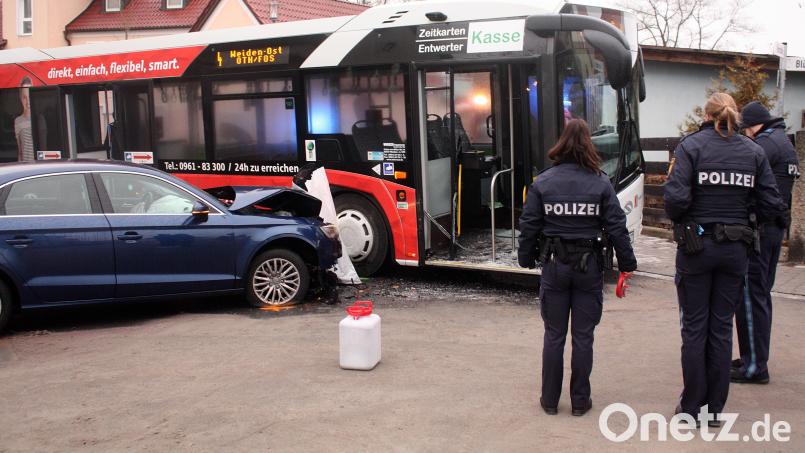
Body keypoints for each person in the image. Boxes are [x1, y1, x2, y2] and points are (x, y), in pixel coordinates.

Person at [664, 93, 786, 426]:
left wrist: (691, 215)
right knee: (720, 329)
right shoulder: (753, 151)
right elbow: (772, 203)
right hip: (736, 251)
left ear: (707, 114)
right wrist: (744, 217)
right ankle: (714, 411)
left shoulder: (691, 146)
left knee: (694, 329)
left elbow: (674, 200)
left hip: (696, 248)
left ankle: (690, 408)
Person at [518, 119, 637, 417]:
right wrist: (627, 264)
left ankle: (549, 401)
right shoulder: (600, 182)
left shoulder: (543, 182)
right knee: (583, 336)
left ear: (561, 143)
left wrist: (525, 258)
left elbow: (529, 225)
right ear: (589, 144)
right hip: (589, 268)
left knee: (554, 334)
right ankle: (580, 402)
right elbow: (617, 227)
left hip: (555, 266)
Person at [732, 102, 800, 384]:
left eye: (744, 129)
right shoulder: (784, 142)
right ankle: (753, 357)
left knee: (750, 297)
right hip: (774, 230)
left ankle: (755, 367)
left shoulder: (765, 146)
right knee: (760, 296)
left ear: (752, 126)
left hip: (761, 231)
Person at [14, 77, 35, 162]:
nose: (27, 102)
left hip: (39, 167)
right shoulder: (18, 121)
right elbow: (20, 152)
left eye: (29, 96)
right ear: (20, 98)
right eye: (24, 97)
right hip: (26, 167)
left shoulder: (40, 119)